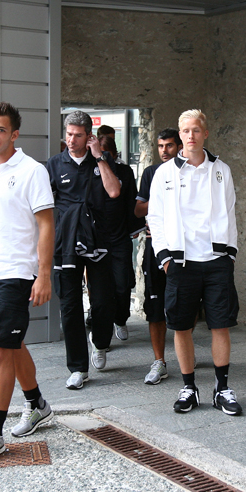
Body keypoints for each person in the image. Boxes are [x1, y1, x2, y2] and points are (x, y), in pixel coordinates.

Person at [0, 102, 56, 463]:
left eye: (1, 130)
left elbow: (46, 224)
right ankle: (37, 404)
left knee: (1, 350)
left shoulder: (32, 171)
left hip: (17, 274)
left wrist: (44, 274)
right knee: (12, 344)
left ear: (14, 135)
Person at [146, 109, 242, 416]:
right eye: (186, 131)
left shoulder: (221, 170)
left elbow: (230, 212)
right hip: (180, 262)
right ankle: (189, 387)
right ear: (180, 135)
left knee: (220, 325)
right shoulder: (165, 173)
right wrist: (164, 257)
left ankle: (222, 389)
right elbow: (155, 217)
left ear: (205, 133)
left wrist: (229, 254)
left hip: (216, 261)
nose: (191, 135)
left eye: (196, 130)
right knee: (181, 327)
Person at [46, 111, 121, 390]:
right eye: (69, 134)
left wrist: (99, 156)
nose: (72, 140)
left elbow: (114, 191)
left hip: (98, 241)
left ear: (89, 136)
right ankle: (78, 368)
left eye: (78, 135)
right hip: (66, 242)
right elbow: (42, 205)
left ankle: (100, 342)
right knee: (69, 307)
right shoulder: (54, 164)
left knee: (102, 302)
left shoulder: (102, 161)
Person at [135, 128, 182, 384]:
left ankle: (186, 355)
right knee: (154, 307)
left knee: (184, 304)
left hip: (184, 249)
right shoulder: (151, 173)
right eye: (161, 146)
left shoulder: (190, 171)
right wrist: (159, 203)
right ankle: (159, 361)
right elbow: (138, 209)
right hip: (155, 247)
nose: (164, 150)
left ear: (179, 146)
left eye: (169, 145)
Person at [98, 134, 141, 342]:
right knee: (100, 289)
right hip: (97, 238)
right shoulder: (91, 170)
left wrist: (135, 227)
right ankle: (100, 331)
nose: (104, 157)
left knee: (123, 285)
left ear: (114, 154)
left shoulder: (125, 171)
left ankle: (121, 319)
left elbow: (132, 199)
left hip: (120, 237)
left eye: (107, 153)